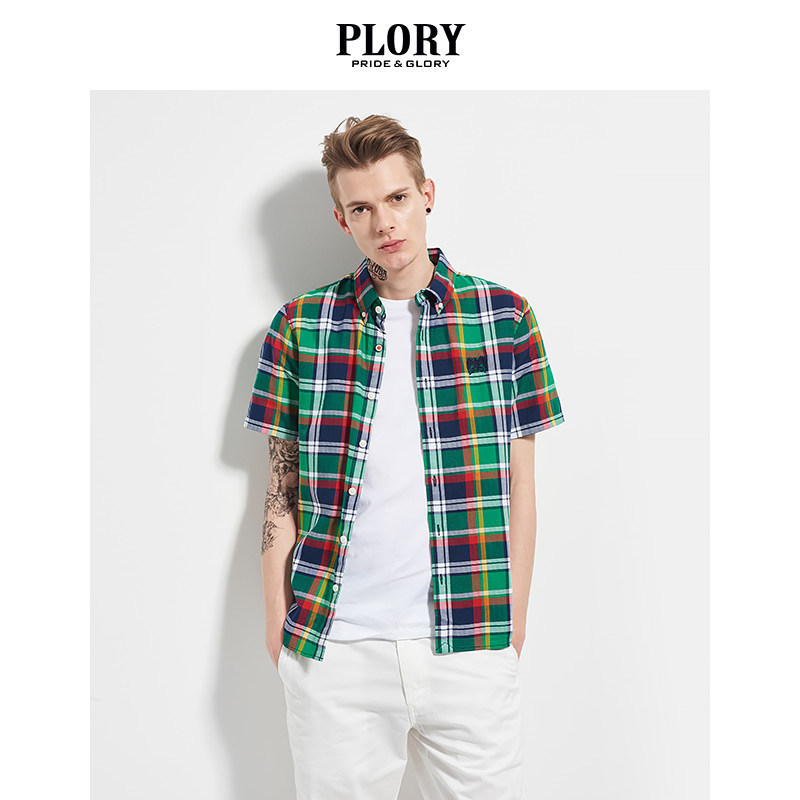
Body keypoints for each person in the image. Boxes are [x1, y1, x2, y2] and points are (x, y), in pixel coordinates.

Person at [244, 114, 565, 800]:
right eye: (362, 207)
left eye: (397, 198)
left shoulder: (505, 318)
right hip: (334, 647)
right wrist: (279, 624)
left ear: (427, 195)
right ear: (342, 219)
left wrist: (512, 625)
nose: (384, 222)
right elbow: (280, 488)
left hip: (471, 638)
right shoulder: (300, 326)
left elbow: (522, 488)